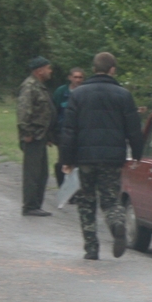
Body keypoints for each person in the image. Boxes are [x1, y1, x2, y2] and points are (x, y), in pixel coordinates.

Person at [58, 52, 142, 260]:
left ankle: (91, 248)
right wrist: (137, 154)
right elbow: (133, 129)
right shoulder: (123, 95)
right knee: (111, 199)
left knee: (86, 201)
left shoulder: (78, 94)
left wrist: (66, 160)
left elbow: (68, 130)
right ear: (112, 70)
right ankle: (117, 224)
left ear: (94, 69)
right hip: (112, 158)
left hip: (84, 157)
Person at [17, 56, 56, 216]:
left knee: (41, 173)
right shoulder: (29, 86)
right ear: (40, 70)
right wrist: (27, 133)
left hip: (41, 136)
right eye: (48, 68)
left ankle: (36, 204)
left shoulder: (39, 86)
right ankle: (30, 206)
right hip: (33, 137)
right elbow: (23, 112)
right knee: (32, 173)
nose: (50, 71)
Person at [51, 67, 85, 186]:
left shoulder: (86, 91)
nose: (78, 80)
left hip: (81, 133)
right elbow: (53, 112)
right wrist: (52, 133)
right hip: (63, 132)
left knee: (79, 162)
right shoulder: (61, 92)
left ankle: (76, 188)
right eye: (75, 77)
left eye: (80, 77)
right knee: (63, 161)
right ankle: (62, 186)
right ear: (70, 78)